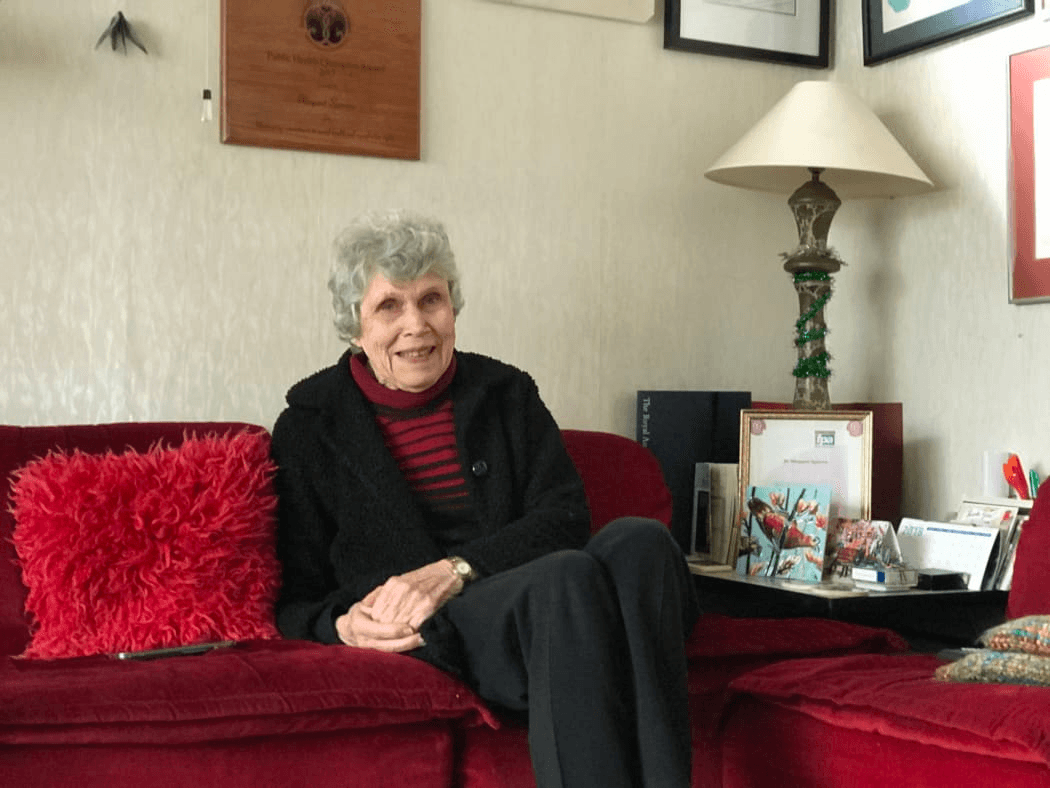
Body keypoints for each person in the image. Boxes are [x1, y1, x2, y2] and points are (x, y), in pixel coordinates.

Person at [271, 210, 700, 788]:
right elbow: (294, 595)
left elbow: (564, 517)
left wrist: (455, 569)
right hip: (444, 631)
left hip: (535, 597)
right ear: (354, 326)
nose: (416, 325)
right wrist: (342, 625)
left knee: (642, 541)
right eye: (389, 306)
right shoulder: (310, 426)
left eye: (431, 299)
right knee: (566, 576)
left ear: (453, 306)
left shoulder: (506, 393)